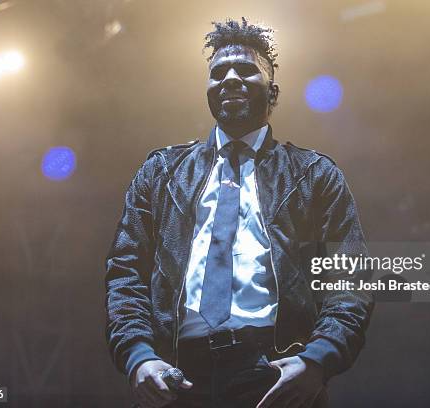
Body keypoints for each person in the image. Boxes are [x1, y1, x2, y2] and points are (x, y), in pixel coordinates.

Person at [105, 17, 373, 408]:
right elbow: (124, 271)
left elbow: (351, 277)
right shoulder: (161, 171)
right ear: (208, 92)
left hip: (275, 370)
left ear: (273, 92)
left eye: (246, 70)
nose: (229, 78)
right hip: (176, 374)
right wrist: (137, 355)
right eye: (218, 74)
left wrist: (317, 359)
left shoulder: (314, 174)